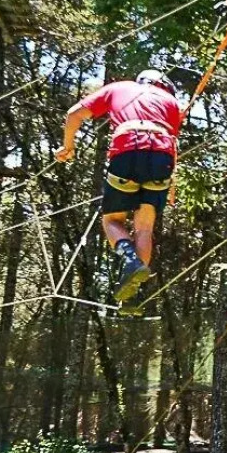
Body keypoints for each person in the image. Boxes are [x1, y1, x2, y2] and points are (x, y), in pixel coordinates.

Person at [56, 69, 184, 306]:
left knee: (112, 221)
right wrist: (171, 185)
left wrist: (68, 147)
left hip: (128, 148)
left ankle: (130, 260)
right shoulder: (172, 102)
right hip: (162, 158)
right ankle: (133, 294)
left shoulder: (119, 88)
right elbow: (173, 145)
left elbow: (74, 114)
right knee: (144, 228)